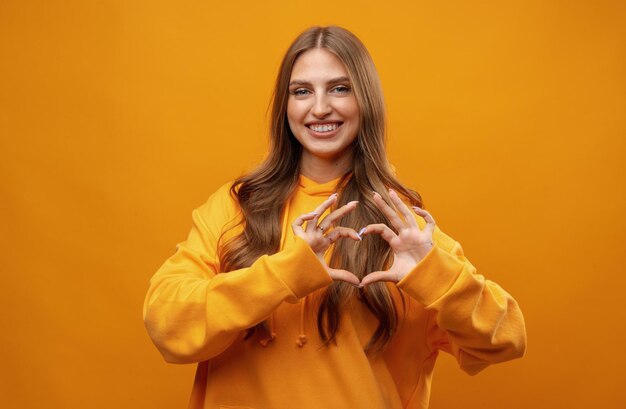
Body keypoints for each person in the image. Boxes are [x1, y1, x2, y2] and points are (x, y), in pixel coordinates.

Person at [143, 26, 526, 409]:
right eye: (302, 91)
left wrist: (433, 274)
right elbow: (167, 326)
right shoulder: (235, 207)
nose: (320, 107)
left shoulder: (399, 223)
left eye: (340, 88)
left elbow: (504, 339)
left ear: (366, 102)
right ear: (285, 106)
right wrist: (285, 273)